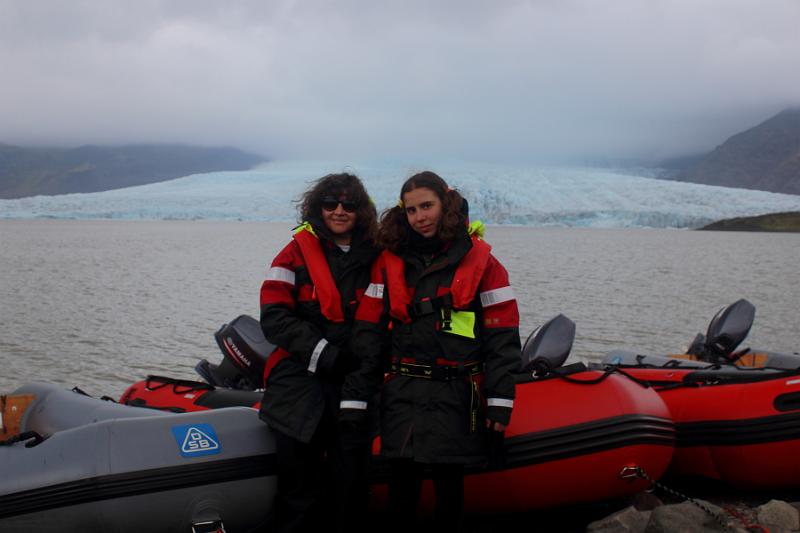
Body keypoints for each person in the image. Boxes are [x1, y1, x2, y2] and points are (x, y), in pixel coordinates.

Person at [340, 171, 521, 532]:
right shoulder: (390, 263)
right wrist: (356, 397)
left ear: (446, 204)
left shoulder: (485, 264)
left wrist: (500, 400)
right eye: (411, 210)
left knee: (449, 491)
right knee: (400, 492)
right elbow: (369, 335)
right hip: (402, 393)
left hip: (454, 395)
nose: (419, 217)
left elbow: (502, 337)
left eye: (427, 206)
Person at [258, 172, 380, 533]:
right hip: (298, 392)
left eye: (349, 204)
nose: (339, 210)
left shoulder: (377, 256)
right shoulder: (294, 254)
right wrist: (327, 354)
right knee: (299, 495)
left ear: (361, 210)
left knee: (351, 491)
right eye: (331, 203)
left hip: (353, 390)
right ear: (318, 207)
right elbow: (275, 318)